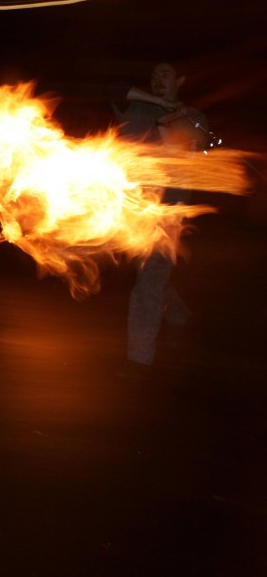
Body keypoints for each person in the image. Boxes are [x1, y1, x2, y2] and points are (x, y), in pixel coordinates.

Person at [109, 62, 209, 380]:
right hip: (134, 209)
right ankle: (178, 312)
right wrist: (158, 104)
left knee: (148, 281)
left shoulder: (194, 115)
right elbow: (109, 89)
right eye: (153, 74)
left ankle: (139, 358)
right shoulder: (137, 107)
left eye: (164, 74)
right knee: (147, 272)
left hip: (168, 212)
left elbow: (193, 149)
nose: (157, 79)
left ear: (180, 79)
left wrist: (168, 122)